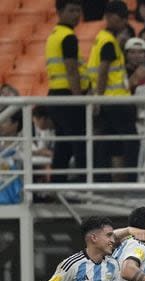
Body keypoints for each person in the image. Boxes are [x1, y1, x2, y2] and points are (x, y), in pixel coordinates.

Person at [87, 1, 138, 179]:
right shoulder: (108, 42)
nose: (124, 21)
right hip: (115, 101)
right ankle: (133, 181)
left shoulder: (102, 38)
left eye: (126, 17)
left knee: (107, 142)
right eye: (121, 17)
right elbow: (102, 71)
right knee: (132, 141)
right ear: (108, 17)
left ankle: (103, 180)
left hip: (109, 100)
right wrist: (98, 99)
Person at [46, 0, 89, 183]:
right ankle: (81, 184)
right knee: (79, 142)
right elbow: (71, 70)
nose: (76, 15)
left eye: (78, 11)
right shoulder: (68, 37)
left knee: (63, 143)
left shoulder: (54, 34)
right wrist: (78, 98)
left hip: (55, 95)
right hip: (68, 95)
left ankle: (57, 183)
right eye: (71, 10)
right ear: (59, 11)